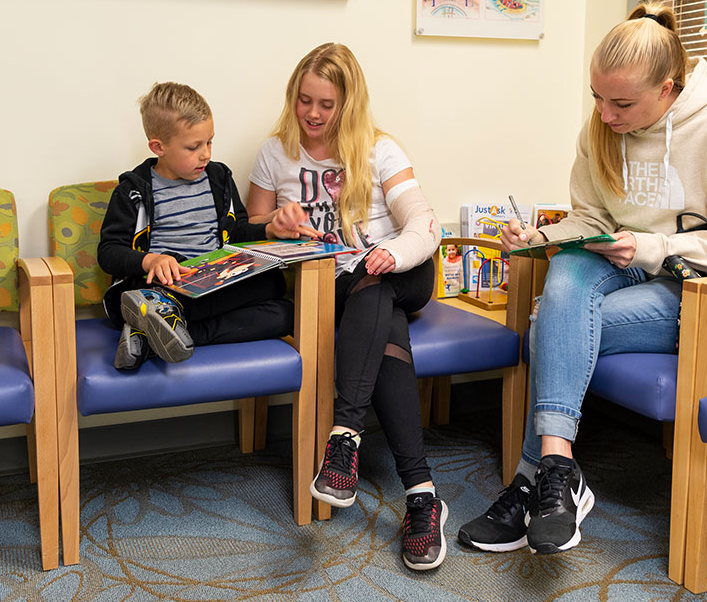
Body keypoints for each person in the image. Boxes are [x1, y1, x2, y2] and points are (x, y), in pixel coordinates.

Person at [457, 3, 707, 555]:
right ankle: (560, 469)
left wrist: (652, 246)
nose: (605, 115)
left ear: (668, 89)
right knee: (566, 270)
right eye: (596, 98)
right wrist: (539, 239)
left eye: (621, 103)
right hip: (617, 264)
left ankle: (532, 481)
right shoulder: (603, 128)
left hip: (692, 290)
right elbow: (592, 220)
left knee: (551, 330)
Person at [246, 43, 446, 571]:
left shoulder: (381, 151)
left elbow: (424, 225)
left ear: (348, 105)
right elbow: (247, 235)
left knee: (377, 281)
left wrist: (390, 252)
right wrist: (275, 227)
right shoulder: (275, 153)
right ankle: (422, 495)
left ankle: (344, 438)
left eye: (326, 104)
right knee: (376, 307)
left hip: (404, 270)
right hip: (334, 287)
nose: (312, 114)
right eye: (304, 100)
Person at [97, 82, 297, 370]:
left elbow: (236, 232)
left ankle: (152, 334)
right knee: (152, 291)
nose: (206, 154)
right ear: (158, 147)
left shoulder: (218, 178)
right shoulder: (134, 190)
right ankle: (158, 312)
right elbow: (108, 251)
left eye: (209, 142)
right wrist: (150, 260)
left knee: (281, 303)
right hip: (165, 284)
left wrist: (268, 230)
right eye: (194, 147)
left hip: (213, 282)